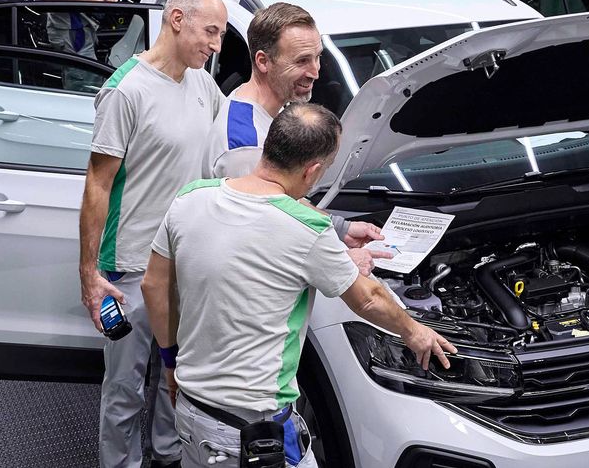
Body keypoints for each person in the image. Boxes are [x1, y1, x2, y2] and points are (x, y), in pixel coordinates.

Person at [144, 104, 456, 468]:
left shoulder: (189, 198)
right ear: (313, 171)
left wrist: (169, 362)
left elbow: (154, 286)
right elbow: (368, 299)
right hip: (251, 434)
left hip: (191, 412)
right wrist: (415, 332)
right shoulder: (306, 229)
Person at [82, 0, 229, 468]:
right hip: (128, 270)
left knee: (179, 380)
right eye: (211, 32)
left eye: (222, 36)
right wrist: (89, 273)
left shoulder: (203, 84)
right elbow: (98, 185)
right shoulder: (126, 90)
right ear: (176, 19)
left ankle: (169, 456)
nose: (216, 45)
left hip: (185, 265)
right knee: (124, 390)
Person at [211, 3, 392, 276]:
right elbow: (270, 231)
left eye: (317, 57)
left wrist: (341, 228)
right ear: (263, 61)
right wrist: (341, 259)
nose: (316, 71)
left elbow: (286, 201)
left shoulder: (274, 107)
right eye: (301, 61)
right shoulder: (245, 143)